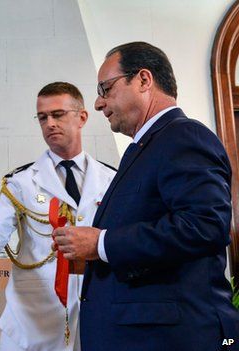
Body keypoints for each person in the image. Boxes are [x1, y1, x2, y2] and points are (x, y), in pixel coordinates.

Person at [53, 42, 239, 351]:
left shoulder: (183, 137)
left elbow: (204, 226)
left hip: (171, 338)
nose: (99, 103)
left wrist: (101, 244)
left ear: (143, 80)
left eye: (105, 88)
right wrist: (93, 257)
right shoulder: (145, 148)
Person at [0, 82, 116, 351]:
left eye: (58, 114)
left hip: (96, 312)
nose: (50, 124)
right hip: (33, 319)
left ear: (82, 117)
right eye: (42, 117)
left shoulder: (111, 179)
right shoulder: (22, 182)